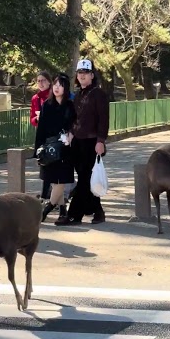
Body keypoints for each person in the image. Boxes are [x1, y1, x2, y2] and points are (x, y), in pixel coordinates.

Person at [59, 58, 109, 226]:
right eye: (80, 73)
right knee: (85, 178)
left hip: (92, 142)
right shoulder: (78, 95)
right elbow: (75, 119)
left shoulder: (99, 94)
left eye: (86, 73)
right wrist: (71, 133)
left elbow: (104, 119)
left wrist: (101, 140)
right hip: (78, 143)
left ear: (92, 75)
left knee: (85, 179)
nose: (82, 76)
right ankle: (98, 211)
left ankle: (74, 214)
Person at [33, 73, 76, 224]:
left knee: (61, 181)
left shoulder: (70, 105)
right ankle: (63, 211)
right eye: (56, 85)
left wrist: (71, 134)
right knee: (54, 180)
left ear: (66, 88)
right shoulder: (47, 105)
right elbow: (41, 129)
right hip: (49, 149)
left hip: (65, 148)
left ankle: (47, 209)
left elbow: (74, 124)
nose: (57, 88)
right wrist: (37, 150)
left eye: (61, 85)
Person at [30, 70, 52, 202]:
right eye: (38, 81)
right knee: (44, 164)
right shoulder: (35, 98)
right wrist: (37, 119)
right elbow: (32, 119)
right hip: (41, 136)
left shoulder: (54, 95)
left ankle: (46, 196)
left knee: (52, 167)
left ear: (49, 81)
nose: (41, 83)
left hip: (54, 136)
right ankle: (46, 195)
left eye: (43, 80)